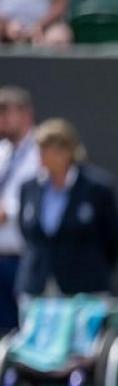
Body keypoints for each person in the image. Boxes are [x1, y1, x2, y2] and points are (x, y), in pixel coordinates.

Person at [16, 118, 118, 298]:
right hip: (37, 286)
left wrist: (93, 267)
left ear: (66, 152)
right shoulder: (29, 188)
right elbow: (26, 233)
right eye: (40, 150)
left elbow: (115, 236)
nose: (41, 156)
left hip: (85, 287)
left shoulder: (97, 188)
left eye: (47, 150)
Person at [0, 86, 38, 332]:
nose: (1, 118)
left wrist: (8, 212)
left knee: (25, 329)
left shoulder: (41, 151)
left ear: (26, 114)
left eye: (5, 111)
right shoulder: (2, 152)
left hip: (25, 259)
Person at [0, 0, 71, 45]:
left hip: (47, 25)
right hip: (6, 24)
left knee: (58, 37)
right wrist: (7, 24)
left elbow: (60, 4)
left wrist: (41, 25)